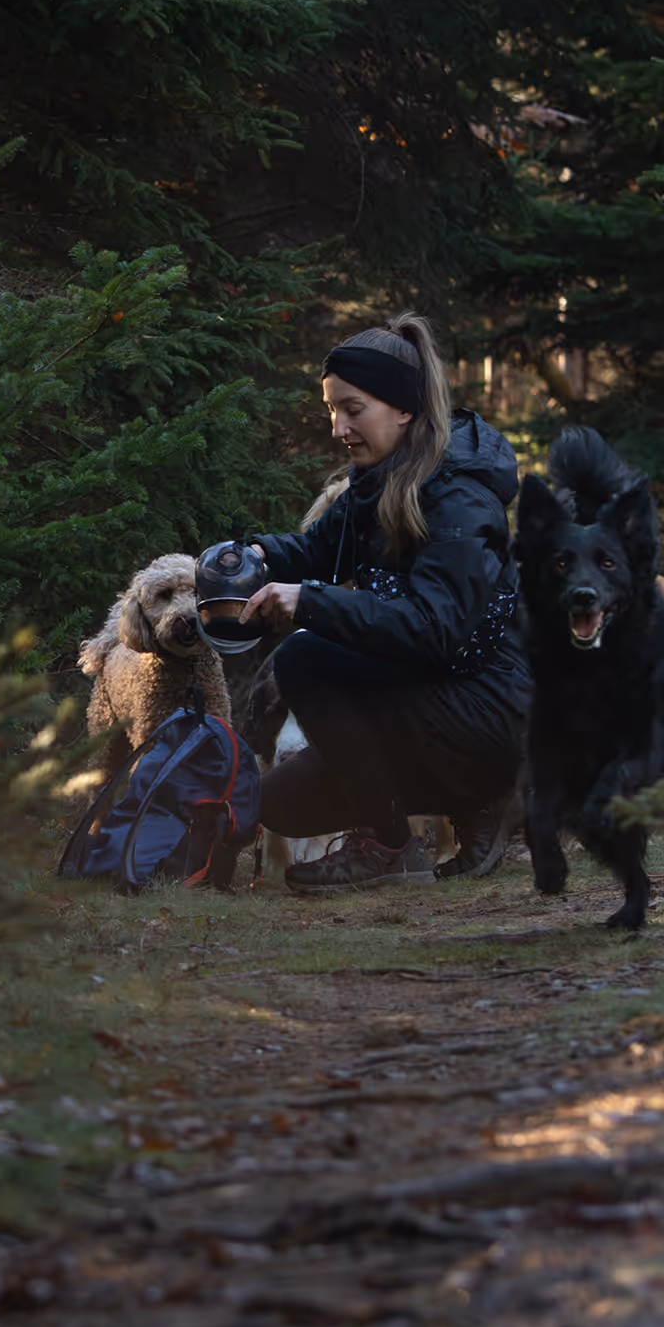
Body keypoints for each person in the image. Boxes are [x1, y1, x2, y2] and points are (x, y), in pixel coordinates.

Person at [238, 311, 531, 893]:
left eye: (353, 409)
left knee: (304, 657)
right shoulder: (377, 480)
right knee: (279, 805)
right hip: (423, 703)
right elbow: (317, 550)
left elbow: (435, 627)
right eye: (331, 410)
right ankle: (452, 806)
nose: (338, 427)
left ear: (404, 408)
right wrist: (250, 557)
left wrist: (311, 603)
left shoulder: (462, 498)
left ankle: (395, 842)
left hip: (486, 711)